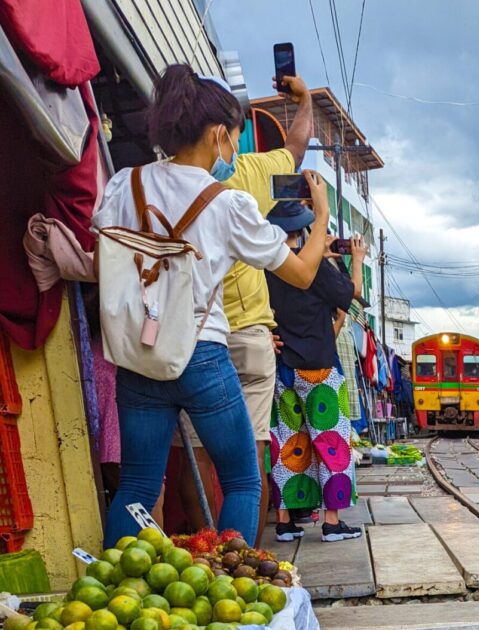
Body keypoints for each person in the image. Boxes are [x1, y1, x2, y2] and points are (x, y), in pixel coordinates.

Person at [93, 64, 331, 547]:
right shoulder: (227, 203)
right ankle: (238, 593)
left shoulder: (124, 184)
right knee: (242, 479)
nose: (233, 154)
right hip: (203, 355)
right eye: (235, 142)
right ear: (220, 135)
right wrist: (322, 216)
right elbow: (303, 273)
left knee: (137, 486)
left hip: (139, 355)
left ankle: (120, 595)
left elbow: (100, 250)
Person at [173, 73, 314, 545]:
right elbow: (295, 148)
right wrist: (304, 101)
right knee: (249, 454)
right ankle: (243, 560)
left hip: (187, 340)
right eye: (234, 137)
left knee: (198, 454)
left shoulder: (154, 182)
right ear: (221, 135)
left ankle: (206, 553)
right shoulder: (247, 179)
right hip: (250, 337)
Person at [265, 200, 368, 543]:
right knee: (331, 442)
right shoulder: (314, 269)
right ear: (304, 230)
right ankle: (332, 521)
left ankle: (284, 522)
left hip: (283, 370)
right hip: (319, 369)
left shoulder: (268, 265)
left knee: (289, 444)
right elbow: (351, 293)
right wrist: (355, 261)